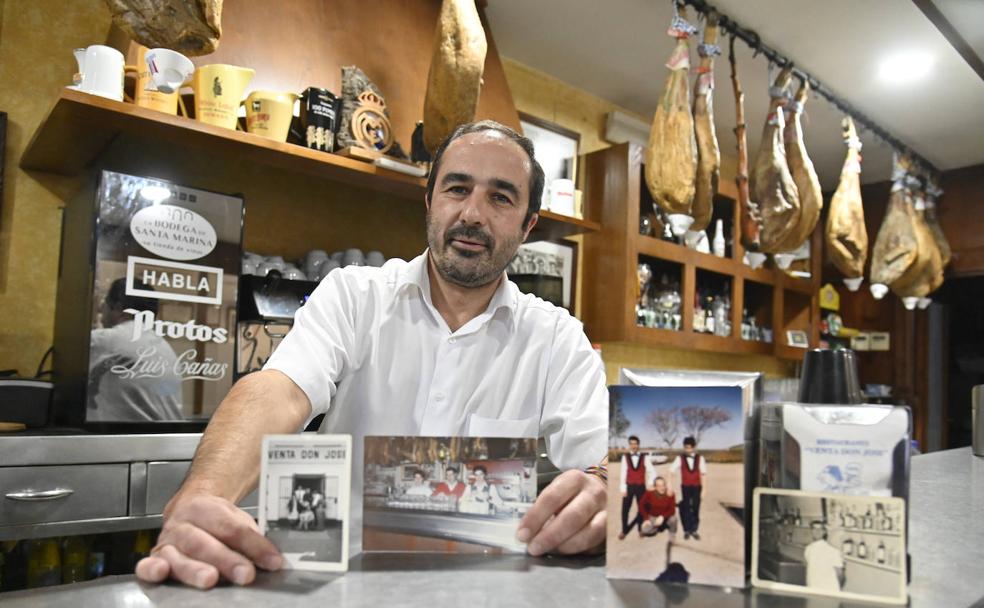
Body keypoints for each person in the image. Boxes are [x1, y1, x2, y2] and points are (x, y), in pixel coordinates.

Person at [135, 120, 608, 589]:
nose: (472, 214)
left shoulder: (557, 339)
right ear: (429, 202)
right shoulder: (354, 295)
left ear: (528, 226)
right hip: (337, 589)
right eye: (457, 188)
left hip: (485, 593)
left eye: (500, 197)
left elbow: (609, 458)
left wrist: (605, 489)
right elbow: (280, 391)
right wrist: (203, 496)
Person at [87, 278, 183, 422]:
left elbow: (71, 345)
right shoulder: (162, 344)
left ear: (118, 309)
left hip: (141, 440)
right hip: (167, 437)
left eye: (104, 303)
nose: (101, 310)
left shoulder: (110, 339)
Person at [670, 436, 706, 540]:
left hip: (696, 487)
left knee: (695, 508)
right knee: (686, 509)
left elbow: (703, 474)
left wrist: (704, 489)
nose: (688, 450)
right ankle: (686, 530)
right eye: (686, 447)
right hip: (685, 487)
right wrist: (670, 485)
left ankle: (694, 530)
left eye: (690, 447)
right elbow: (671, 471)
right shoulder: (679, 458)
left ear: (694, 447)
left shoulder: (700, 458)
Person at [618, 436, 652, 540]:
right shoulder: (625, 457)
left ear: (638, 445)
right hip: (629, 487)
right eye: (631, 444)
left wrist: (650, 484)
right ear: (629, 445)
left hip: (641, 487)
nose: (633, 446)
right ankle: (624, 530)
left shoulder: (645, 457)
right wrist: (623, 488)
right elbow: (623, 473)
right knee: (625, 509)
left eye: (635, 444)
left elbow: (651, 471)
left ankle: (640, 530)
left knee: (641, 509)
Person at [803, 521, 845, 592]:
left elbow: (840, 575)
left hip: (829, 592)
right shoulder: (808, 549)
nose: (817, 531)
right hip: (812, 590)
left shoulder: (833, 551)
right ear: (811, 531)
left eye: (820, 529)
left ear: (824, 532)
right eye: (814, 529)